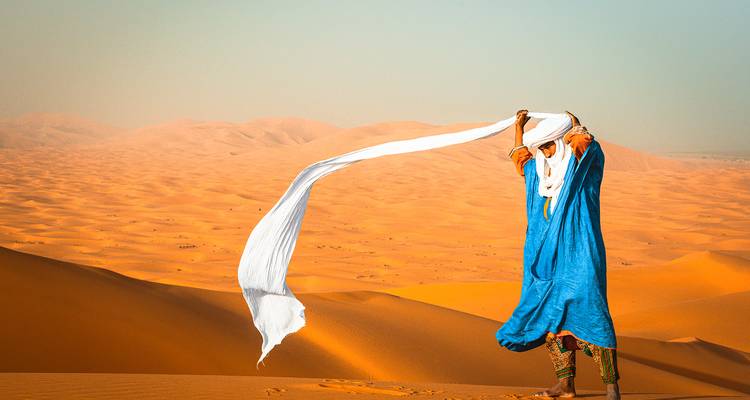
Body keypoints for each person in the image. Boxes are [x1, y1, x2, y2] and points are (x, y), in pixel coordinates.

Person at [496, 110, 621, 399]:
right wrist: (519, 128)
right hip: (545, 261)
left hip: (580, 256)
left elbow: (584, 144)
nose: (544, 152)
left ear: (561, 142)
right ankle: (566, 385)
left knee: (592, 314)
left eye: (549, 145)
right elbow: (520, 157)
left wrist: (574, 123)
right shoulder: (538, 174)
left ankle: (612, 388)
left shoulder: (583, 169)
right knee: (552, 324)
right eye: (540, 147)